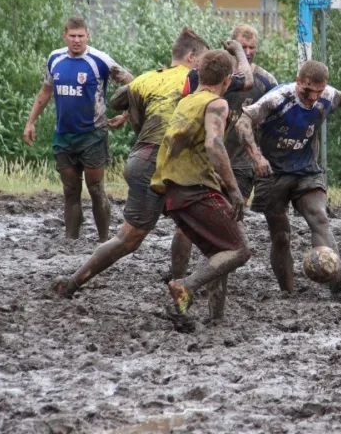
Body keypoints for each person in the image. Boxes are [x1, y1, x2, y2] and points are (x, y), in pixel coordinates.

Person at [50, 28, 252, 299]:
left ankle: (74, 283)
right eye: (203, 59)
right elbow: (246, 80)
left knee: (130, 238)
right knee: (182, 227)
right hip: (170, 162)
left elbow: (117, 99)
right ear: (192, 58)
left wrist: (131, 113)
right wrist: (237, 50)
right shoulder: (196, 78)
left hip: (140, 158)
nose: (204, 65)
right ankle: (182, 286)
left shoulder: (148, 78)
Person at [235, 60, 341, 295]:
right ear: (299, 81)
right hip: (272, 174)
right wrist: (257, 158)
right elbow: (243, 123)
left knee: (319, 216)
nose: (313, 98)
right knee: (281, 237)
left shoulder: (326, 94)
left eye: (319, 92)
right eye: (308, 92)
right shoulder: (278, 98)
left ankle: (335, 276)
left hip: (306, 170)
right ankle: (289, 292)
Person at [170, 24, 278, 282]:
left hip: (238, 165)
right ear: (231, 45)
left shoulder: (267, 81)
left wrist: (260, 156)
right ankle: (179, 278)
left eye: (253, 48)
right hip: (204, 162)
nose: (249, 52)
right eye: (244, 46)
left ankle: (211, 284)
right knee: (185, 230)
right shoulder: (209, 77)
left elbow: (275, 120)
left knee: (227, 230)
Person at [154, 50, 251, 320]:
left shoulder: (186, 102)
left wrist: (217, 179)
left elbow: (189, 149)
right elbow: (213, 144)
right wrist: (233, 190)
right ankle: (185, 286)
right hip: (194, 190)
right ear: (228, 79)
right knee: (239, 249)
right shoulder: (216, 103)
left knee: (219, 253)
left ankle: (213, 318)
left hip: (173, 192)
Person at [23, 15, 133, 242]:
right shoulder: (55, 59)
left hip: (93, 135)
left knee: (95, 189)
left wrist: (126, 115)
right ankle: (70, 240)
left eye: (81, 36)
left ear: (87, 36)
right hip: (63, 135)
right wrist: (30, 121)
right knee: (70, 191)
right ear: (65, 36)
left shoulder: (100, 60)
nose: (76, 41)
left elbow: (133, 84)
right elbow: (45, 91)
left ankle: (105, 241)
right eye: (72, 36)